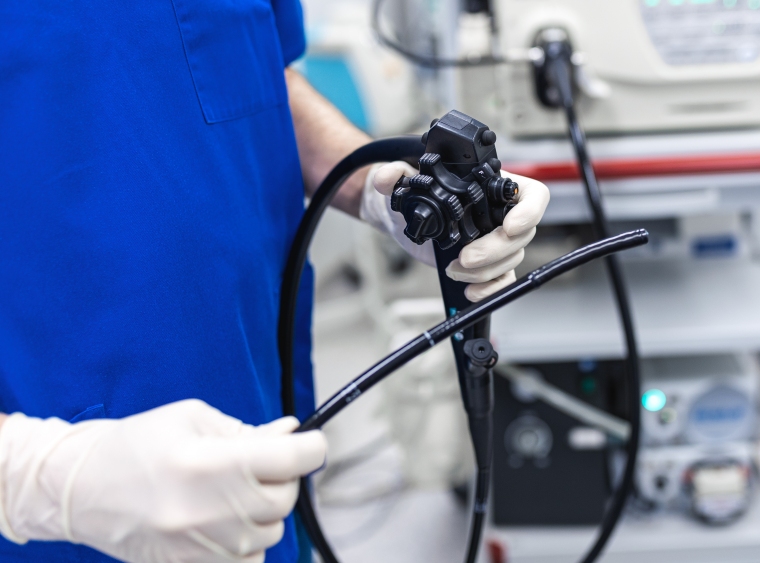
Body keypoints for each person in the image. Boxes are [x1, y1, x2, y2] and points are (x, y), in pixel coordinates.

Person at [0, 2, 549, 562]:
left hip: (260, 403)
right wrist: (39, 477)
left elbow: (254, 76)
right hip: (81, 490)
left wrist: (376, 189)